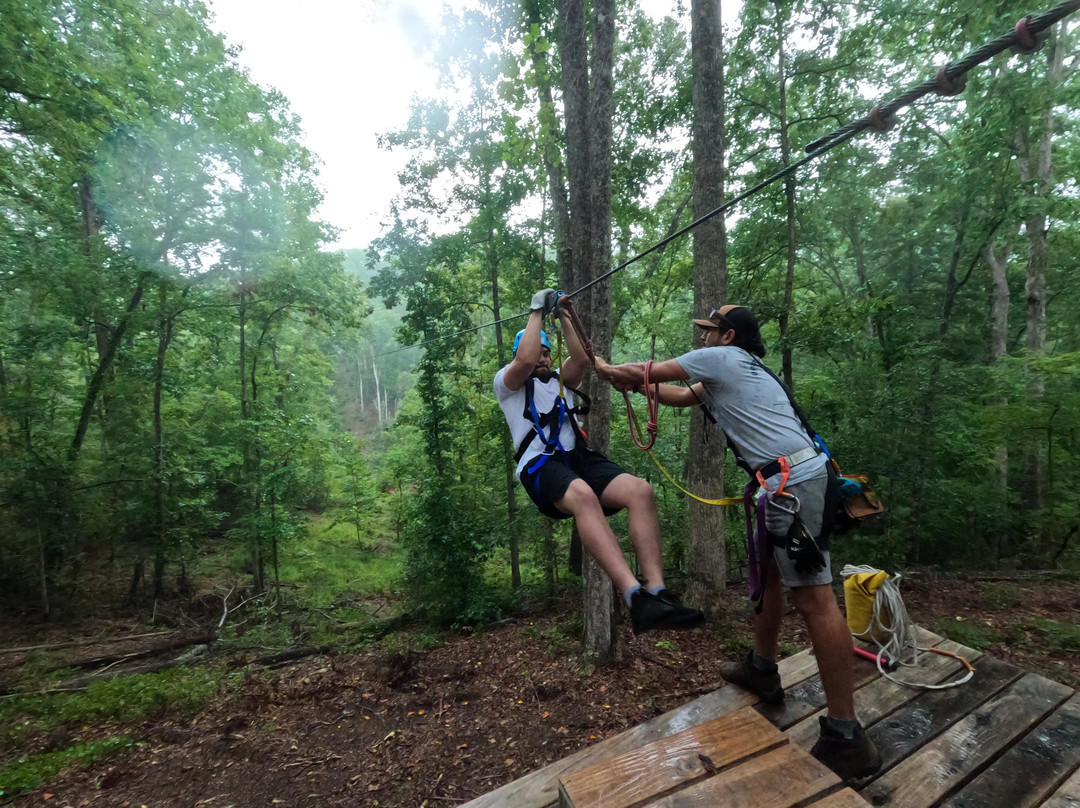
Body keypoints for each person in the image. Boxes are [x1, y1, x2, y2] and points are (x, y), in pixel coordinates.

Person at [594, 304, 881, 782]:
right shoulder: (735, 370)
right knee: (767, 574)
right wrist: (634, 384)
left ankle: (846, 736)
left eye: (710, 331)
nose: (703, 338)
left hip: (792, 485)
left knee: (815, 600)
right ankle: (762, 668)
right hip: (789, 482)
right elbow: (675, 395)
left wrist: (604, 367)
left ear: (728, 337)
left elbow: (640, 371)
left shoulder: (721, 359)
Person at [493, 288, 704, 635]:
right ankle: (634, 596)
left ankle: (657, 593)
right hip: (539, 465)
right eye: (536, 352)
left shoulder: (561, 381)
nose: (542, 358)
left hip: (578, 457)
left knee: (640, 491)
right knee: (583, 495)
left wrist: (563, 315)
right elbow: (525, 362)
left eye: (546, 352)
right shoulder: (508, 384)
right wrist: (536, 310)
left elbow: (579, 358)